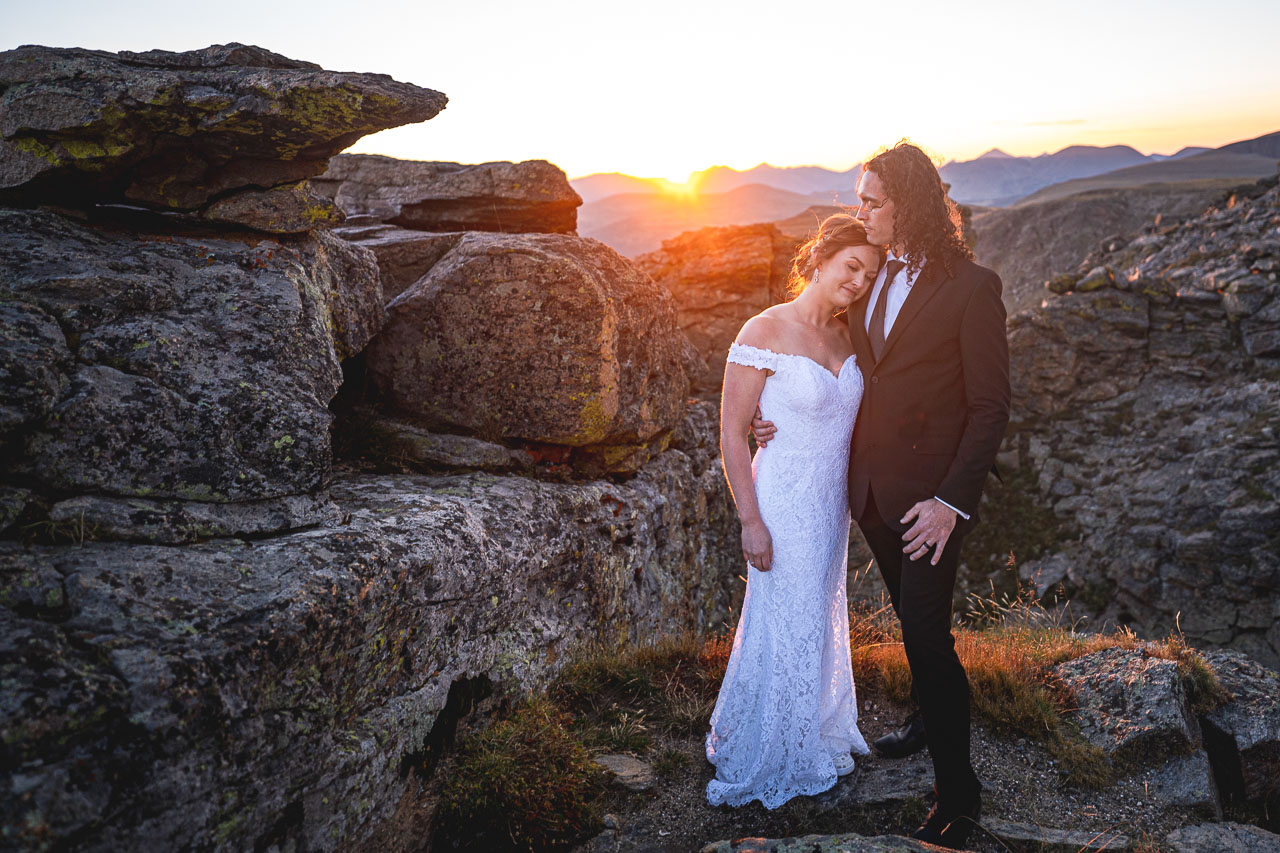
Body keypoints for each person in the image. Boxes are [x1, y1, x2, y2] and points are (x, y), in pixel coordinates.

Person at [752, 142, 1010, 848]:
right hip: (866, 493)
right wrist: (767, 410)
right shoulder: (872, 278)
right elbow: (824, 358)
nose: (858, 211)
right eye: (859, 198)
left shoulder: (972, 286)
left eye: (871, 200)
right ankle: (929, 720)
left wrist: (951, 503)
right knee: (910, 621)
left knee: (927, 636)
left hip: (930, 506)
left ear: (910, 204)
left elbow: (991, 407)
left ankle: (961, 800)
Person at [705, 214, 882, 810]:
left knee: (817, 614)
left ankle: (813, 725)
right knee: (786, 616)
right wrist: (750, 521)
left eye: (869, 274)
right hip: (780, 500)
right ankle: (777, 748)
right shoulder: (764, 329)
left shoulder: (850, 335)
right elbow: (731, 434)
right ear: (820, 261)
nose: (858, 282)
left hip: (831, 507)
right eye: (850, 267)